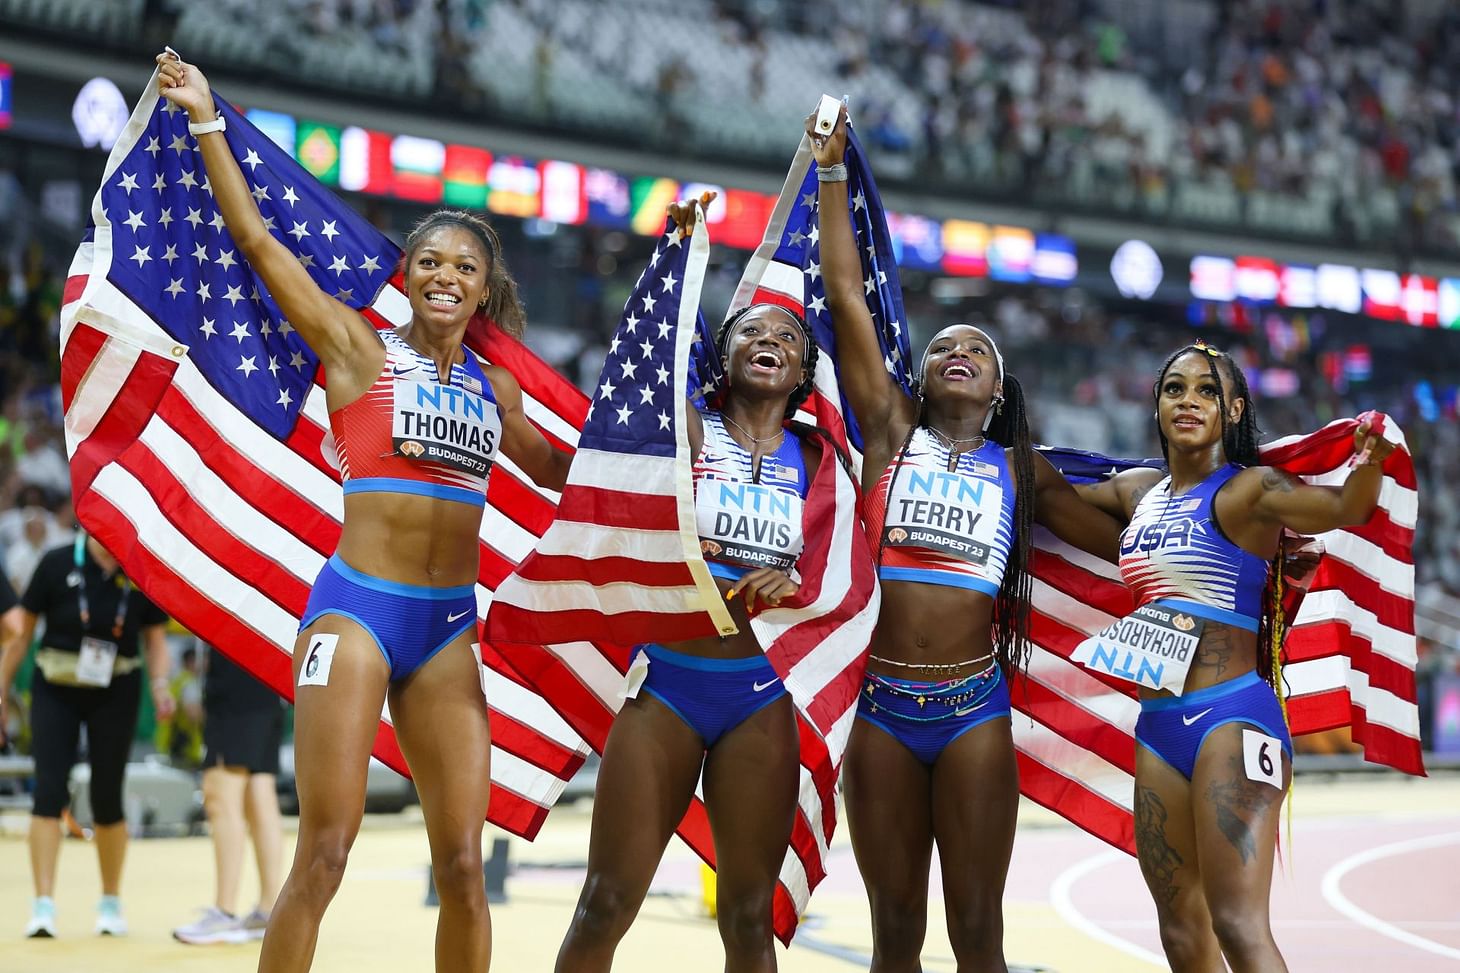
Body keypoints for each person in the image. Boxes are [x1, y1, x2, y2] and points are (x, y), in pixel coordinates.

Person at [155, 52, 572, 972]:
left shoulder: (499, 389)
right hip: (356, 612)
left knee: (463, 865)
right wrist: (206, 120)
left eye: (464, 266)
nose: (445, 276)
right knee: (326, 851)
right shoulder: (356, 349)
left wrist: (655, 444)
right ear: (409, 274)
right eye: (429, 261)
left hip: (448, 629)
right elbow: (261, 244)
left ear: (482, 287)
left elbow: (561, 475)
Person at [811, 106, 1123, 972]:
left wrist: (1214, 514)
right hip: (879, 708)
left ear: (996, 389)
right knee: (895, 932)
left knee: (978, 935)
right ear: (919, 375)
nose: (955, 353)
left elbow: (1113, 543)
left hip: (972, 712)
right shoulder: (888, 433)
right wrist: (833, 174)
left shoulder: (1022, 471)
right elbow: (845, 297)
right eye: (943, 346)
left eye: (975, 353)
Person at [554, 199, 829, 973]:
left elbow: (840, 571)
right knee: (606, 900)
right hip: (667, 681)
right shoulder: (687, 428)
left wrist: (799, 580)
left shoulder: (821, 468)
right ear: (725, 353)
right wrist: (672, 262)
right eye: (751, 331)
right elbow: (633, 390)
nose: (768, 341)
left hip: (762, 693)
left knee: (746, 918)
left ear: (805, 371)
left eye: (785, 337)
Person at [1072, 340, 1393, 971]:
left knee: (1238, 923)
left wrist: (1375, 458)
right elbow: (1038, 496)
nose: (1188, 400)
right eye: (1174, 388)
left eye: (1207, 391)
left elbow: (1345, 508)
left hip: (1232, 717)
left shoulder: (1250, 491)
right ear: (1157, 406)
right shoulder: (1136, 492)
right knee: (1181, 932)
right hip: (1159, 727)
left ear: (1234, 410)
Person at [0, 531, 172, 938]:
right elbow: (21, 633)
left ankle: (110, 900)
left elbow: (155, 639)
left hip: (117, 687)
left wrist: (162, 686)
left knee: (107, 794)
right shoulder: (57, 562)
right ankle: (43, 904)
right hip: (55, 687)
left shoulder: (139, 567)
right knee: (48, 791)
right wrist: (2, 691)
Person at [173, 644, 286, 945]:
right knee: (259, 792)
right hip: (267, 677)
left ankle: (224, 911)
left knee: (220, 794)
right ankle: (269, 910)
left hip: (237, 677)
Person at [156, 644, 204, 769]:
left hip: (171, 741)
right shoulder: (190, 683)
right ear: (192, 662)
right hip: (187, 746)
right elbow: (194, 714)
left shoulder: (177, 680)